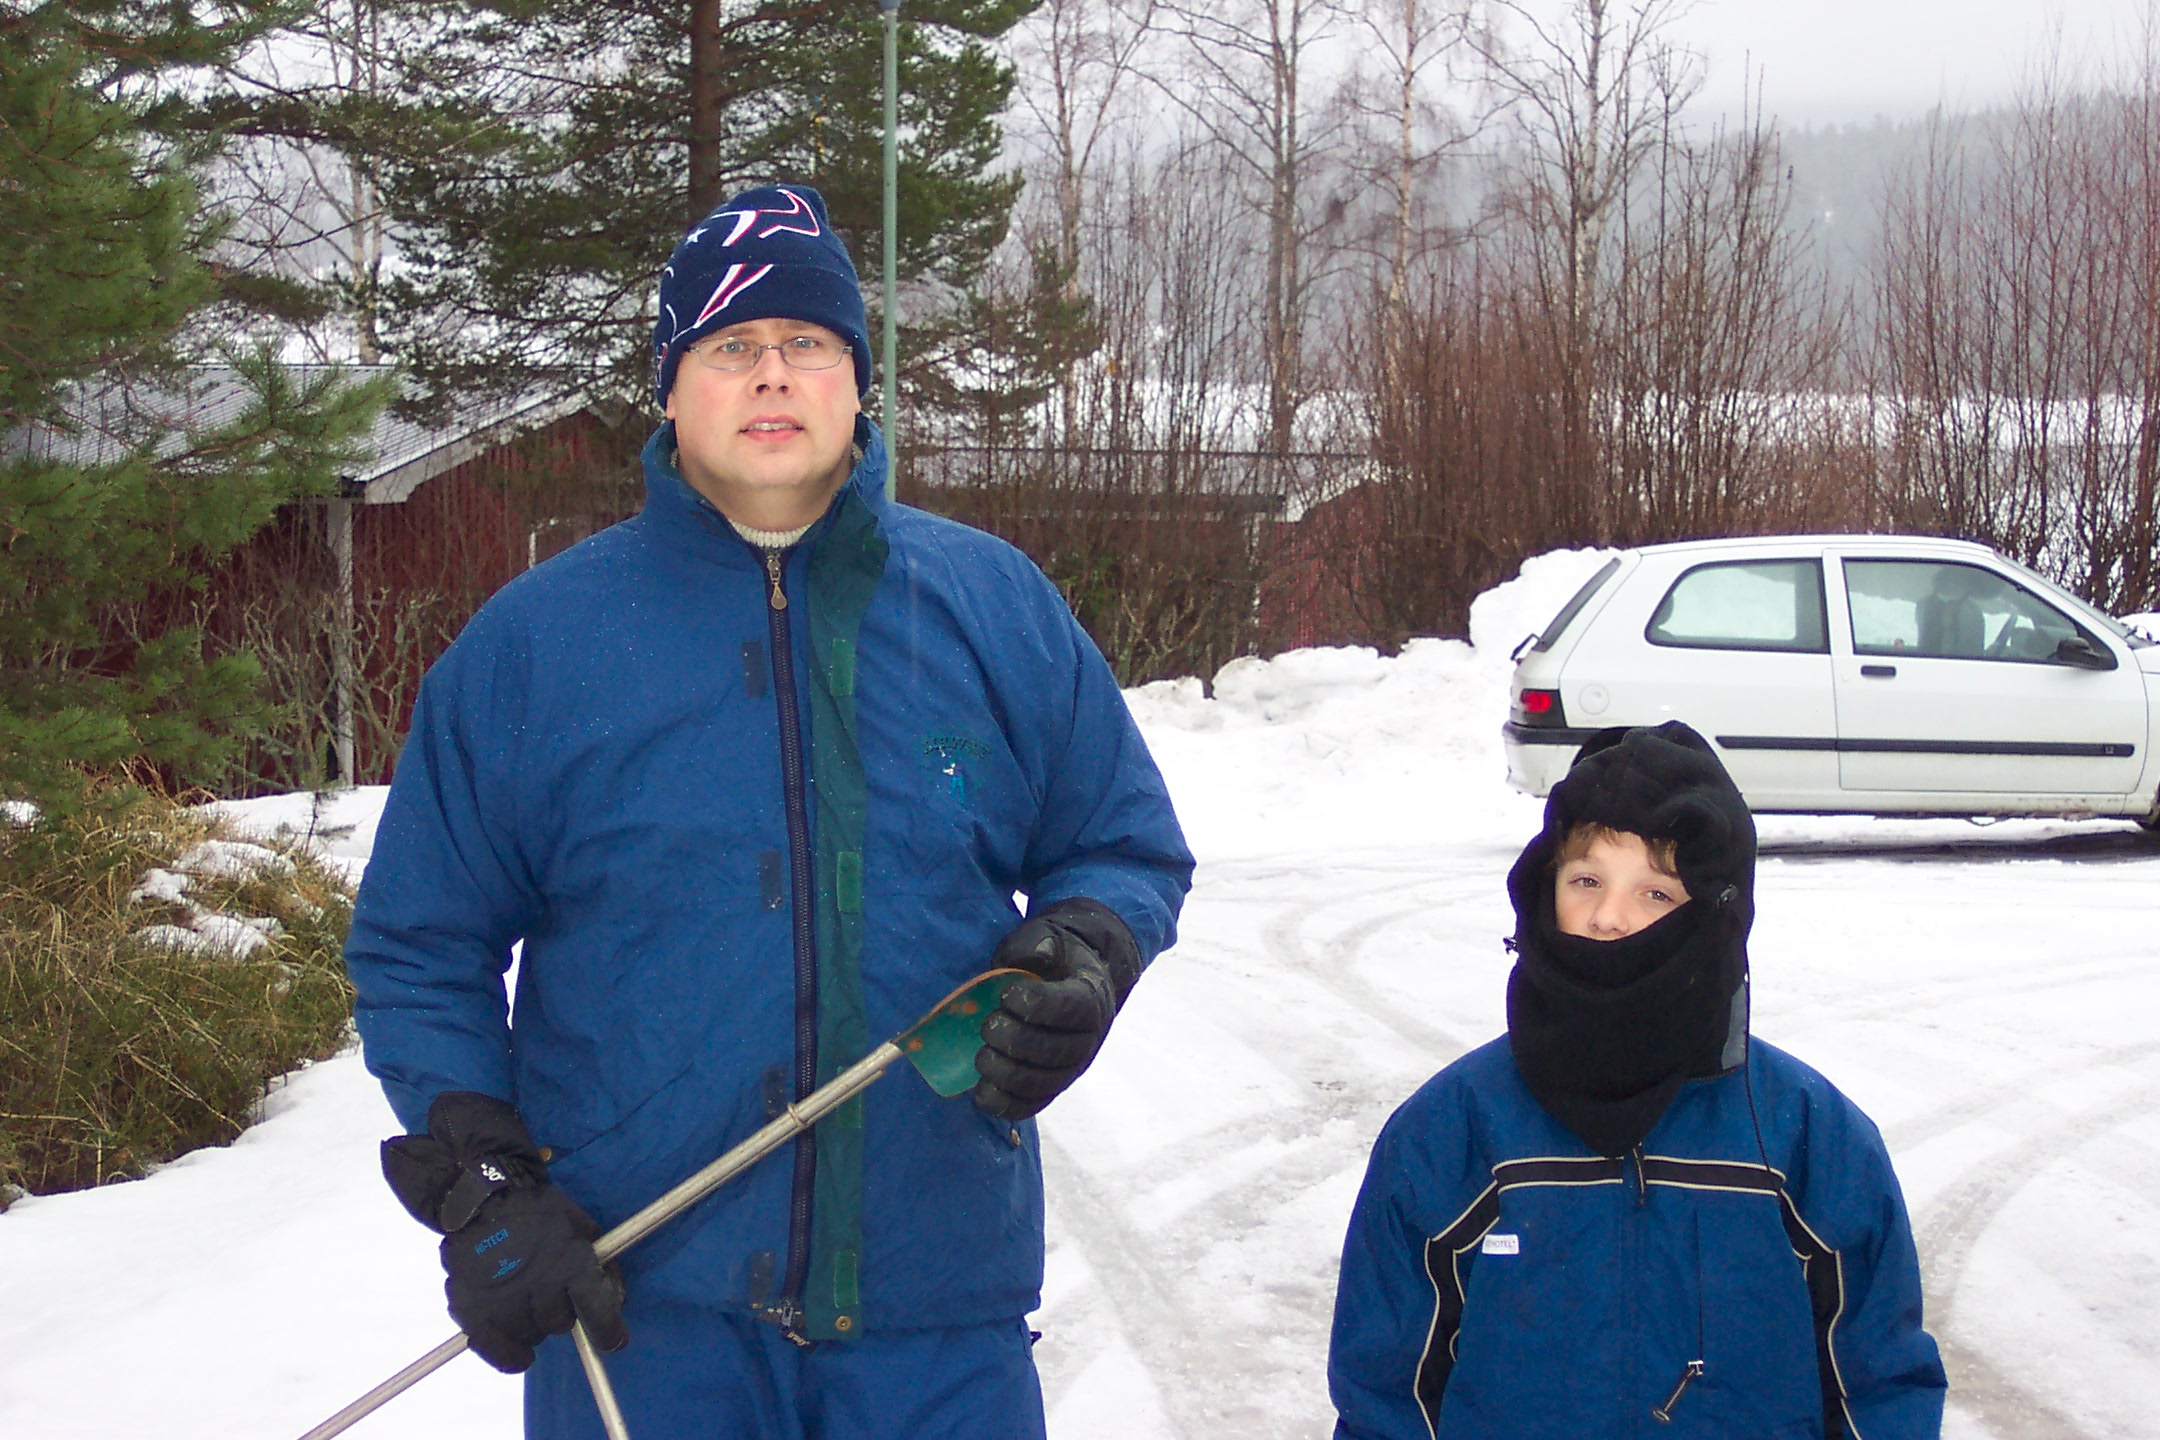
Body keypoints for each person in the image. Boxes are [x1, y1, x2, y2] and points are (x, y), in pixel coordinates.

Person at [345, 181, 1193, 1440]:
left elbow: (1120, 844)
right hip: (640, 1322)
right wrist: (484, 1178)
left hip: (937, 1321)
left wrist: (1089, 952)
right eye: (730, 346)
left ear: (858, 382)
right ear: (670, 390)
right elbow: (420, 942)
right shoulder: (536, 646)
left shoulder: (993, 605)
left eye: (807, 341)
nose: (772, 373)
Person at [1327, 722, 1945, 1440]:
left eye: (1655, 892)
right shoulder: (1451, 1129)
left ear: (1716, 914)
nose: (1609, 917)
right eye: (1586, 880)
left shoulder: (1808, 1136)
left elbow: (1880, 1387)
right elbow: (1385, 1397)